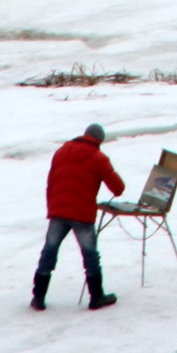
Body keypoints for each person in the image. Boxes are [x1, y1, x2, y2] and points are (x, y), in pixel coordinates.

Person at [32, 122, 124, 311]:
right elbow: (118, 188)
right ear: (99, 141)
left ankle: (38, 297)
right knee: (90, 255)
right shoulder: (98, 157)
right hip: (82, 213)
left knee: (49, 252)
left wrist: (53, 208)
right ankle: (96, 297)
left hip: (58, 210)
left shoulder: (61, 151)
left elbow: (50, 182)